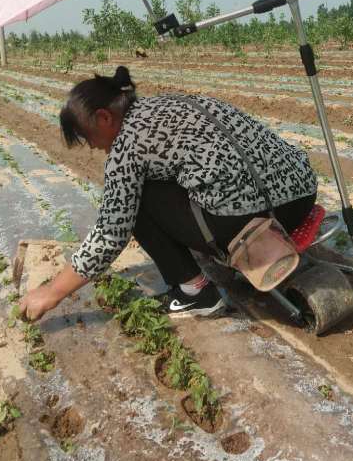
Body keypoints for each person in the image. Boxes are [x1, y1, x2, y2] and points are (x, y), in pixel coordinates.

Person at [19, 66, 317, 321]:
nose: (94, 147)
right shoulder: (169, 104)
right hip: (301, 197)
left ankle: (197, 293)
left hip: (255, 224)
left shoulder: (126, 147)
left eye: (88, 137)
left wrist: (52, 292)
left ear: (104, 118)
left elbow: (111, 233)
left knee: (134, 203)